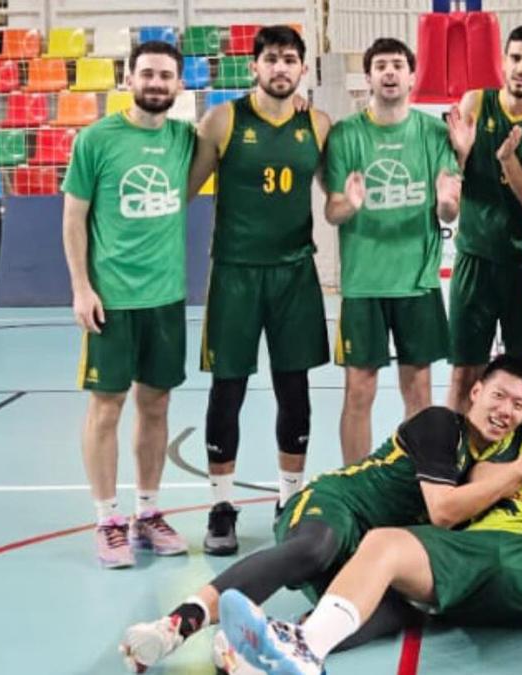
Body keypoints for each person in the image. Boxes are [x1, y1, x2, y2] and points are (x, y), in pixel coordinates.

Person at [219, 375, 522, 675]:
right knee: (385, 542)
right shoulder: (519, 446)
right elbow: (476, 481)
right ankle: (306, 650)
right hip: (467, 557)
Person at [118, 356, 522, 672]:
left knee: (399, 611)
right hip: (337, 505)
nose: (505, 411)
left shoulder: (484, 464)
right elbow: (443, 512)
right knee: (316, 547)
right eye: (499, 396)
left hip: (366, 553)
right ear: (476, 392)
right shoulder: (441, 424)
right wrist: (520, 473)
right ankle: (175, 624)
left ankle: (275, 641)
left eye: (517, 405)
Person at [186, 25, 331, 555]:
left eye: (289, 59)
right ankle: (221, 506)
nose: (280, 68)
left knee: (295, 389)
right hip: (236, 272)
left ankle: (288, 500)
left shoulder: (318, 124)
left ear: (303, 69)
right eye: (271, 58)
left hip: (294, 273)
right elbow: (183, 191)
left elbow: (336, 196)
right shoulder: (223, 120)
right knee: (228, 389)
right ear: (255, 66)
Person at [62, 40, 195, 569]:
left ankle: (147, 512)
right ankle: (106, 520)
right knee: (107, 406)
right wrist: (81, 287)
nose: (156, 83)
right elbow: (74, 218)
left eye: (165, 75)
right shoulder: (96, 140)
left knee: (156, 405)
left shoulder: (184, 139)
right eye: (147, 74)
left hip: (166, 299)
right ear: (128, 79)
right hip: (112, 300)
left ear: (179, 84)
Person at [325, 38, 462, 462]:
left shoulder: (433, 133)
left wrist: (446, 203)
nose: (389, 72)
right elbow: (333, 211)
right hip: (364, 285)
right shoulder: (346, 134)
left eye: (398, 65)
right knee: (359, 390)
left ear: (412, 76)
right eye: (381, 65)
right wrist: (351, 204)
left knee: (418, 389)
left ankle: (415, 479)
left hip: (416, 283)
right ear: (367, 77)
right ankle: (353, 481)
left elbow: (450, 209)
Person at [445, 25, 522, 415]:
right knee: (464, 373)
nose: (521, 68)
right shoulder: (476, 101)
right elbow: (453, 172)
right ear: (503, 61)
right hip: (474, 260)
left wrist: (508, 159)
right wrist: (461, 154)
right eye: (515, 58)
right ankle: (455, 449)